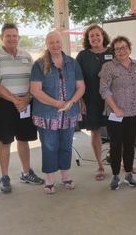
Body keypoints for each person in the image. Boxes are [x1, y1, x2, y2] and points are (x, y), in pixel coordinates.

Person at [0, 23, 43, 193]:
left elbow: (34, 81)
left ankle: (26, 172)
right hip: (4, 105)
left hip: (25, 104)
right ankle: (4, 177)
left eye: (14, 35)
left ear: (18, 37)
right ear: (2, 38)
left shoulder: (27, 56)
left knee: (23, 139)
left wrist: (26, 98)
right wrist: (15, 100)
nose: (12, 38)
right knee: (5, 141)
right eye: (8, 36)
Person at [30, 30, 85, 194]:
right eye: (51, 42)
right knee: (49, 147)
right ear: (47, 44)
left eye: (57, 42)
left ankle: (66, 176)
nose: (55, 45)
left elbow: (81, 86)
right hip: (47, 114)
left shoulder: (72, 63)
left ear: (62, 43)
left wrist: (72, 102)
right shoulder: (39, 64)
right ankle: (49, 180)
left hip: (69, 114)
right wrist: (57, 103)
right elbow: (35, 90)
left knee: (66, 145)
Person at [99, 36, 136, 190]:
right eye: (117, 49)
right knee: (116, 145)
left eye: (124, 47)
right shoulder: (108, 67)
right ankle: (116, 175)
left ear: (129, 48)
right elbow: (104, 89)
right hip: (115, 114)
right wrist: (116, 108)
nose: (121, 51)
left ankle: (129, 173)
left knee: (130, 145)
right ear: (114, 52)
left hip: (132, 113)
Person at [76, 24, 112, 181]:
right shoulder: (82, 56)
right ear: (87, 39)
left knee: (116, 132)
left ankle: (122, 162)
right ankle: (100, 165)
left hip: (112, 100)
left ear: (103, 36)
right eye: (92, 36)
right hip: (90, 99)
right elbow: (77, 80)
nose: (95, 38)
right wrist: (80, 100)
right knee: (95, 131)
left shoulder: (113, 52)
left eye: (98, 35)